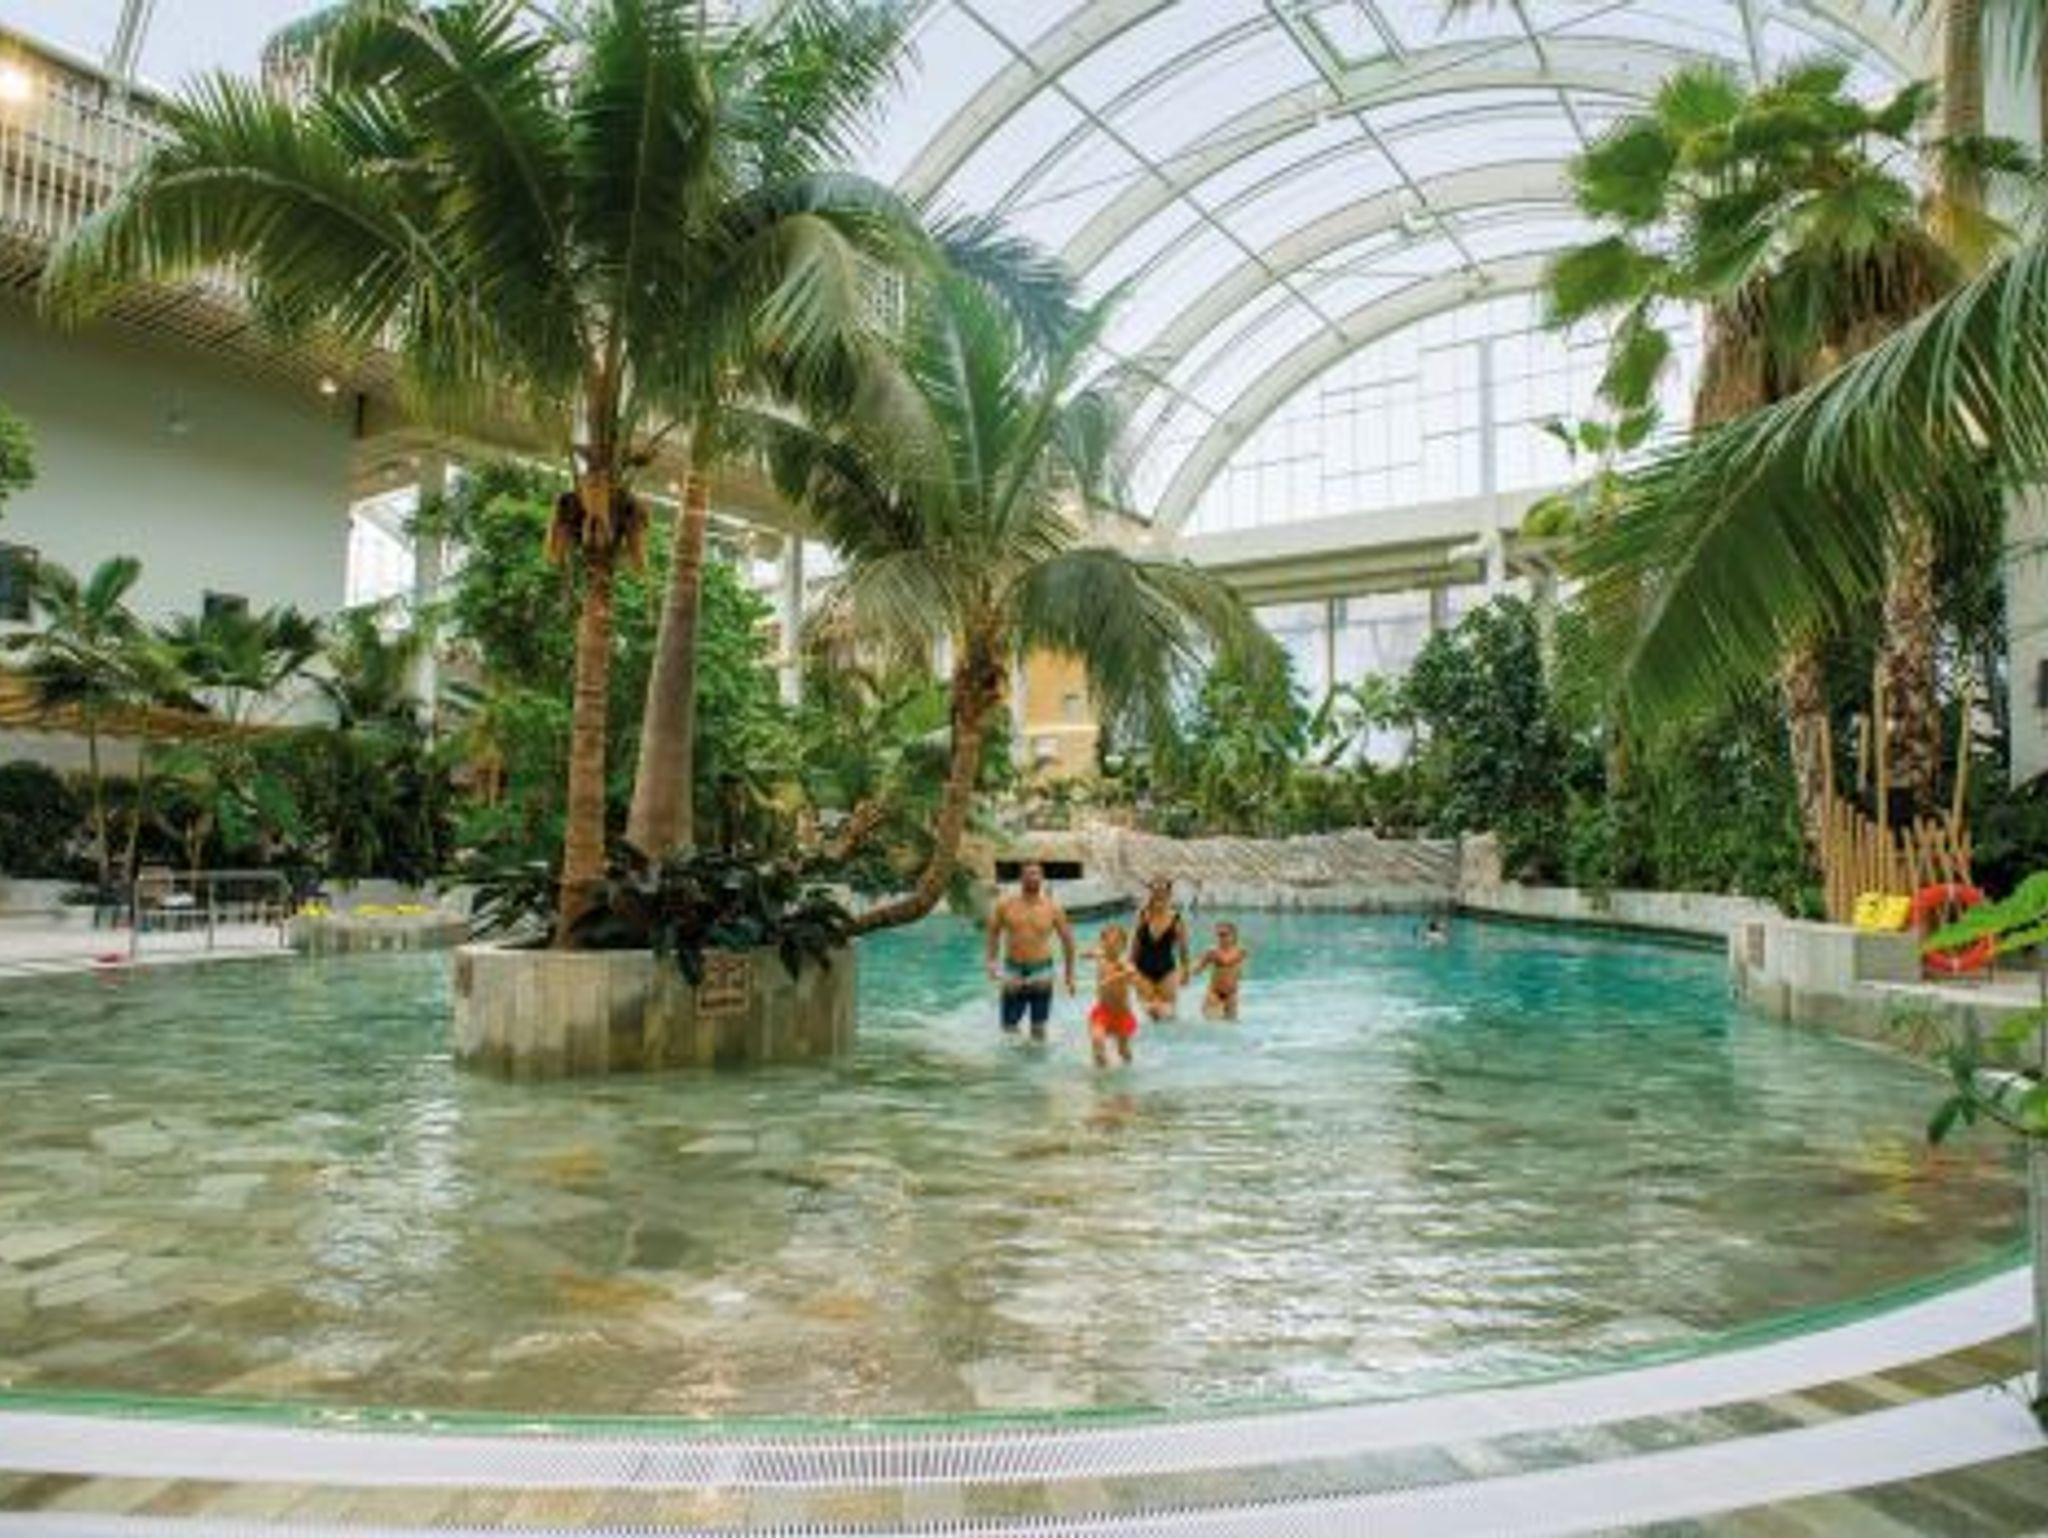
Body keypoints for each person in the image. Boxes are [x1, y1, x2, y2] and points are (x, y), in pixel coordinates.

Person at [985, 862, 1076, 1041]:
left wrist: (1069, 975)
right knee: (1008, 1026)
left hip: (1042, 971)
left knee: (1039, 1028)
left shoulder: (1053, 908)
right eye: (1029, 874)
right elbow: (993, 933)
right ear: (1021, 878)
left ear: (1042, 878)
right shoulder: (1005, 904)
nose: (1033, 877)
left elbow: (1068, 941)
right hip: (1013, 971)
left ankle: (1038, 1058)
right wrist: (991, 962)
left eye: (1036, 874)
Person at [1131, 877, 1190, 1020]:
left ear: (1169, 895)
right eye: (1155, 890)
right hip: (1143, 970)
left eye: (1163, 890)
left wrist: (1185, 971)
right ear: (1151, 893)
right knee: (1151, 1013)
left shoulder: (1177, 920)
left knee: (1168, 1014)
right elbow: (1135, 944)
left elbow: (1183, 949)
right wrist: (1130, 968)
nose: (1159, 894)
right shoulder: (1142, 916)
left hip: (1167, 971)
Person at [1085, 923, 1141, 1068]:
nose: (1112, 945)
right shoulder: (1101, 958)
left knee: (1123, 1051)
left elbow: (1132, 973)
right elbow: (1089, 953)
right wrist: (1089, 954)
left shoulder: (1123, 963)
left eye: (1117, 942)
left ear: (1124, 946)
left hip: (1122, 1014)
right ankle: (1101, 1069)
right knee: (1097, 1040)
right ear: (1102, 943)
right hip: (1103, 1011)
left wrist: (1113, 978)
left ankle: (1128, 1068)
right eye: (1108, 941)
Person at [1190, 921, 1249, 1021]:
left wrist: (1237, 975)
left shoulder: (1241, 952)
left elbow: (1241, 971)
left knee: (1231, 1024)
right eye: (1218, 935)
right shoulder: (1212, 952)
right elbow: (1197, 968)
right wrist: (1186, 972)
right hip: (1214, 993)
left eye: (1224, 935)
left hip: (1231, 995)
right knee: (1214, 1023)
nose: (1221, 938)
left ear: (1233, 936)